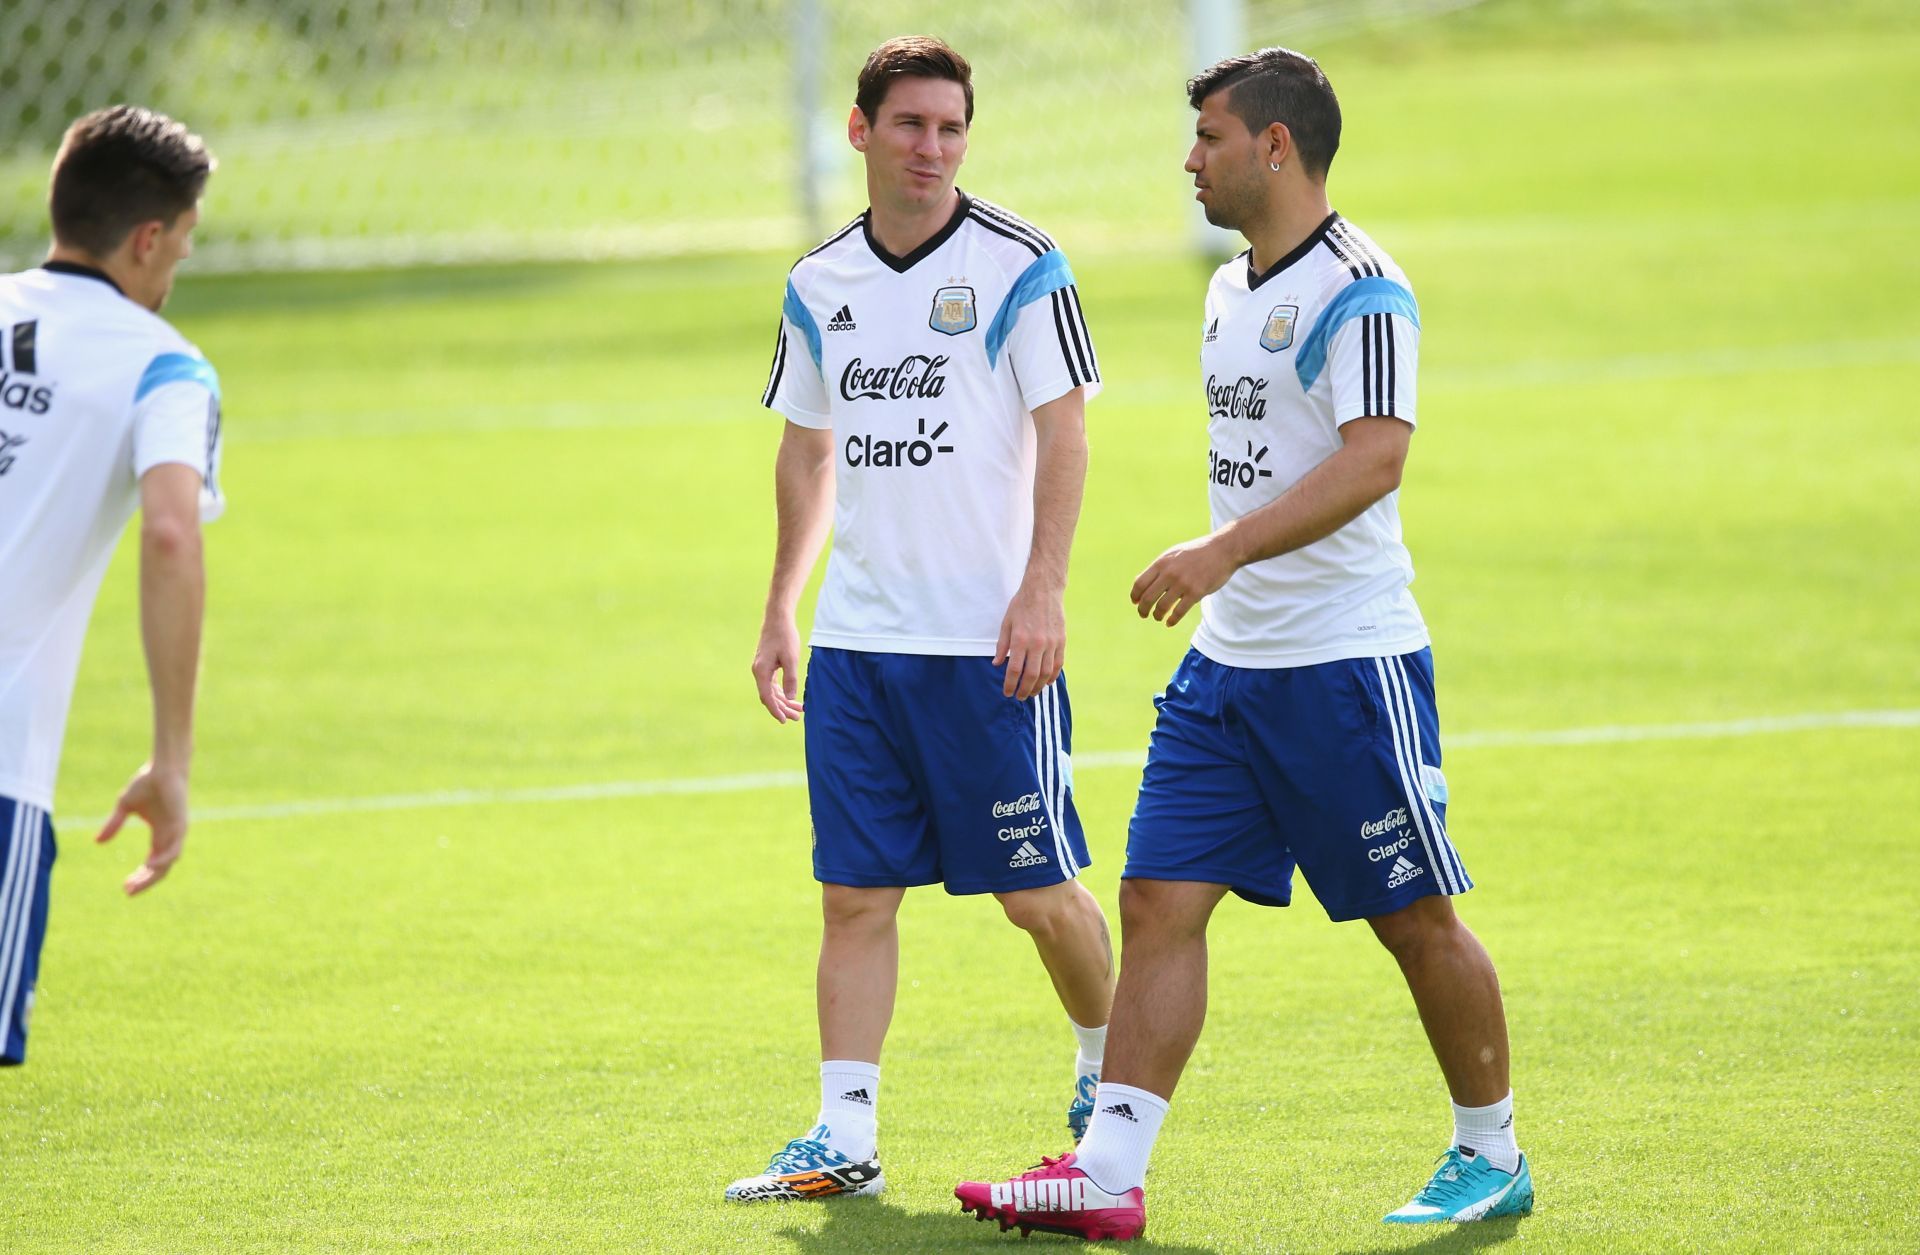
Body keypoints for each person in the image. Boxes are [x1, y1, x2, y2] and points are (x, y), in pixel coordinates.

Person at [956, 48, 1531, 1239]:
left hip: (1343, 665)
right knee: (1158, 896)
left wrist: (1222, 552)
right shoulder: (1230, 285)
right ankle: (1110, 1172)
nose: (1191, 159)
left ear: (1276, 146)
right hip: (1229, 670)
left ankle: (1493, 1150)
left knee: (1413, 913)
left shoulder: (1363, 289)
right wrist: (1227, 582)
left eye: (1210, 137)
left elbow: (1377, 458)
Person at [726, 35, 1115, 1204]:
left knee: (1034, 896)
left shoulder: (1022, 266)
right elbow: (806, 449)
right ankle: (843, 1134)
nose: (932, 148)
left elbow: (1067, 432)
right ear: (860, 132)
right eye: (910, 125)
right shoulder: (819, 283)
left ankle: (1109, 1071)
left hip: (986, 651)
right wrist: (783, 603)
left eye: (951, 128)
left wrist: (1043, 586)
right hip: (857, 650)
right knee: (853, 895)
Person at [0, 105, 223, 1066]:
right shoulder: (164, 366)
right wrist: (170, 758)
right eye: (179, 247)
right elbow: (172, 533)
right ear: (145, 239)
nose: (173, 272)